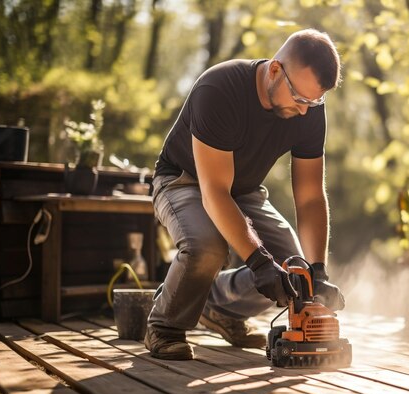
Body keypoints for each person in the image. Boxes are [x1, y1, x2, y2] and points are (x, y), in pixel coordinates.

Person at [145, 28, 346, 360]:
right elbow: (214, 194)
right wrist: (258, 261)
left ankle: (218, 307)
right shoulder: (219, 89)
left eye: (315, 101)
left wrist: (317, 270)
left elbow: (310, 197)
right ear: (275, 70)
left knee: (294, 271)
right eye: (299, 98)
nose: (305, 110)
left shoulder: (309, 110)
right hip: (184, 182)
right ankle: (164, 326)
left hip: (243, 190)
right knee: (207, 247)